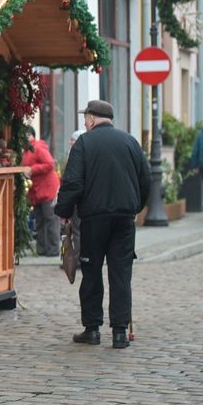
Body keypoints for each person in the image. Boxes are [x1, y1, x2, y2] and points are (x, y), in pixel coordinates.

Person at [55, 100, 150, 349]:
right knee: (121, 273)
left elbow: (73, 182)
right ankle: (119, 333)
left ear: (92, 118)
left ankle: (93, 329)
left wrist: (64, 211)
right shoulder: (130, 141)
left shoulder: (84, 143)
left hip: (94, 219)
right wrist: (135, 206)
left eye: (85, 118)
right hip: (124, 219)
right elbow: (145, 179)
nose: (84, 122)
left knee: (92, 273)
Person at [22, 135, 61, 256]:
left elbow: (50, 164)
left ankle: (53, 250)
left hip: (47, 188)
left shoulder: (38, 148)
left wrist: (32, 170)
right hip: (37, 191)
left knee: (51, 219)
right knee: (40, 220)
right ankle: (42, 249)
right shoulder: (27, 150)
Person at [67, 129, 86, 262]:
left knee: (78, 230)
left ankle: (80, 257)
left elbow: (73, 180)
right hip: (82, 198)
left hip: (78, 199)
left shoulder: (78, 155)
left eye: (72, 139)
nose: (70, 142)